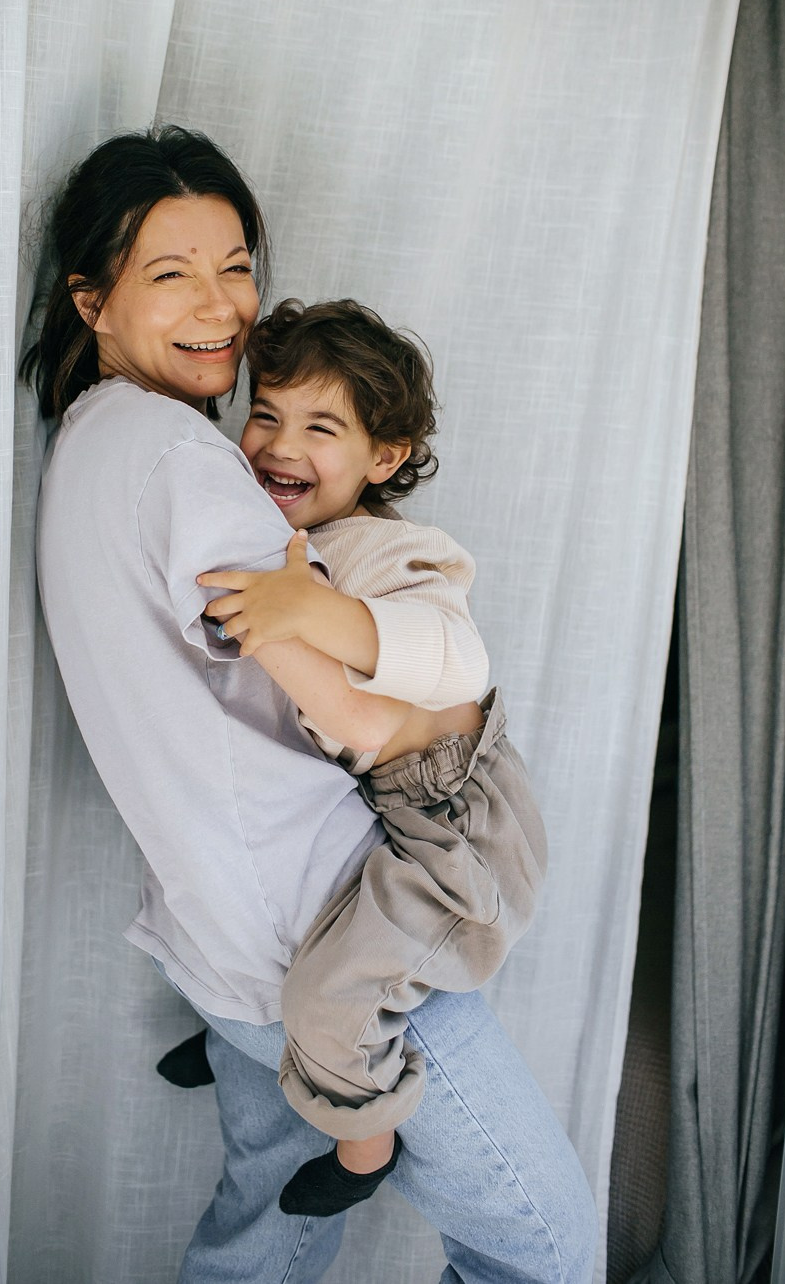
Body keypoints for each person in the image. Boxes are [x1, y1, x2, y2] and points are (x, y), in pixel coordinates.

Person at [23, 124, 597, 1283]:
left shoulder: (90, 445)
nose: (219, 305)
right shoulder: (184, 466)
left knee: (265, 1231)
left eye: (235, 266)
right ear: (92, 301)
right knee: (546, 1249)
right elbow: (368, 724)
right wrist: (456, 727)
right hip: (332, 929)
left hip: (221, 943)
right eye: (172, 272)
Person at [159, 296, 547, 1219]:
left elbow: (454, 660)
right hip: (386, 799)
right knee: (247, 900)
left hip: (457, 833)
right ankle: (237, 1036)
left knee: (334, 994)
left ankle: (363, 1138)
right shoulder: (282, 538)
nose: (280, 445)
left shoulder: (392, 552)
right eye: (266, 414)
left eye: (320, 428)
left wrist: (310, 612)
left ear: (385, 457)